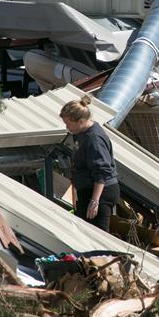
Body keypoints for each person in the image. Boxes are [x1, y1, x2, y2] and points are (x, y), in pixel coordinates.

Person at [60, 96, 120, 232]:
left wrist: (94, 201)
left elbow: (102, 172)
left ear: (81, 121)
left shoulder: (94, 139)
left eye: (68, 124)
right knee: (85, 230)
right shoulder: (82, 132)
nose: (67, 127)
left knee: (98, 234)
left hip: (100, 191)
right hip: (89, 189)